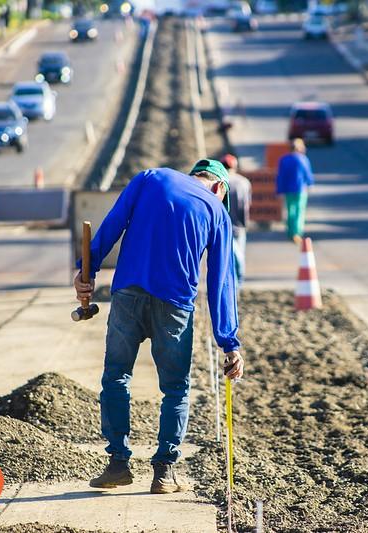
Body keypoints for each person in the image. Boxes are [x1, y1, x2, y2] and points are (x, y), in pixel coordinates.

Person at [74, 160, 245, 494]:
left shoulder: (151, 178)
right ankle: (164, 472)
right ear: (219, 188)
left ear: (194, 175)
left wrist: (86, 271)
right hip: (175, 306)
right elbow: (221, 281)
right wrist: (229, 341)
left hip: (128, 296)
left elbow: (111, 226)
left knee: (116, 376)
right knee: (176, 388)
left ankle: (118, 464)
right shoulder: (217, 211)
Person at [220, 154, 252, 286]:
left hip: (222, 226)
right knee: (239, 255)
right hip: (238, 225)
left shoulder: (219, 182)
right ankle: (239, 282)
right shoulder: (243, 182)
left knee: (225, 258)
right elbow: (246, 205)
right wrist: (245, 223)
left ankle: (230, 283)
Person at [276, 138, 314, 245]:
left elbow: (281, 176)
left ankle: (290, 231)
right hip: (300, 189)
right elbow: (308, 175)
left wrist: (279, 190)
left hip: (288, 189)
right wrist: (310, 184)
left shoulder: (284, 159)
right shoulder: (303, 159)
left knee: (290, 211)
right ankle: (297, 232)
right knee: (299, 211)